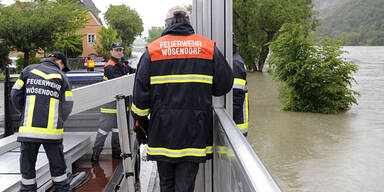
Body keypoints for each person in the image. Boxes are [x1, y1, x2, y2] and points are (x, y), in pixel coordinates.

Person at [131, 6, 233, 192]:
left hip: (162, 133)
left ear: (166, 24)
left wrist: (142, 126)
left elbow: (139, 100)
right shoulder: (207, 48)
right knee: (185, 187)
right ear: (188, 22)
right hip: (194, 132)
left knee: (166, 185)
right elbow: (224, 85)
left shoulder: (153, 50)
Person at [10, 52, 73, 192]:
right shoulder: (62, 77)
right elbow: (68, 104)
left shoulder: (28, 70)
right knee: (58, 170)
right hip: (52, 133)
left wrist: (24, 111)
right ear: (59, 62)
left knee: (27, 169)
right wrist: (59, 119)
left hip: (29, 130)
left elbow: (14, 94)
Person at [91, 42, 135, 163]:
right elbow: (119, 82)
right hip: (110, 107)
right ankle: (95, 155)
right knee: (103, 131)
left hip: (120, 106)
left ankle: (116, 153)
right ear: (111, 52)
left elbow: (134, 72)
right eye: (116, 50)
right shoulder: (110, 66)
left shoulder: (122, 65)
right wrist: (124, 66)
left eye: (121, 50)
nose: (119, 52)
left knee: (117, 131)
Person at [232, 40, 249, 137]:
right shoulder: (234, 60)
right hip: (237, 121)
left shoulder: (235, 63)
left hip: (237, 123)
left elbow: (236, 98)